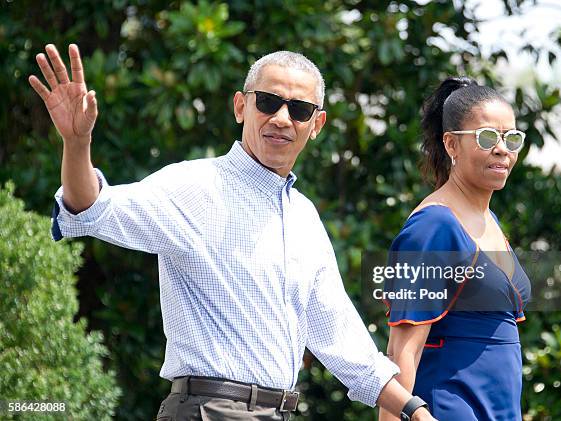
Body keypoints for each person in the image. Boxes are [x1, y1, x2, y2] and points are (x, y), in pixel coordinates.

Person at [29, 44, 436, 421]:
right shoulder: (194, 187)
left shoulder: (304, 218)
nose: (281, 118)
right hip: (208, 409)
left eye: (299, 109)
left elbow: (343, 342)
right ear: (241, 106)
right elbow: (94, 209)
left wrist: (415, 410)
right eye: (269, 102)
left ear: (317, 125)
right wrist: (77, 142)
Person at [379, 77, 531, 421]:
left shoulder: (489, 219)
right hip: (449, 407)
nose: (502, 149)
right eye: (487, 137)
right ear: (451, 144)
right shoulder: (433, 226)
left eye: (512, 138)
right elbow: (401, 350)